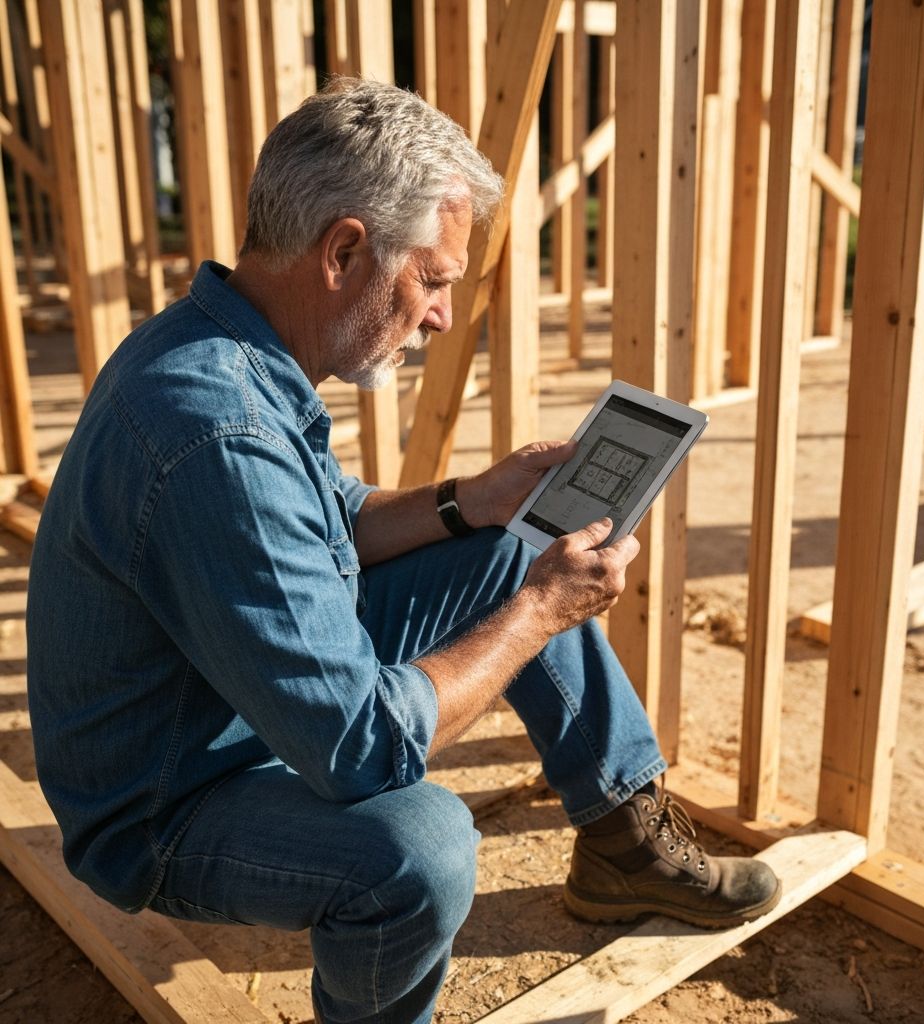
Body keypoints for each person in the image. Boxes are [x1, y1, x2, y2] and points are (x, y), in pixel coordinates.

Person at [27, 78, 780, 1024]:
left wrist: (476, 500)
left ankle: (623, 845)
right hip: (168, 800)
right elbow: (361, 750)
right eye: (433, 279)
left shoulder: (226, 348)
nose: (438, 316)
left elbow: (328, 518)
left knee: (514, 548)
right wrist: (542, 612)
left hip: (222, 702)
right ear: (344, 250)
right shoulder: (216, 430)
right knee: (417, 847)